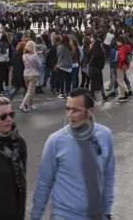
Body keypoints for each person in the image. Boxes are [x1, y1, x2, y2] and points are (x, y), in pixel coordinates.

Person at [31, 88, 116, 220]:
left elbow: (108, 175)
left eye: (75, 110)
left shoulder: (105, 136)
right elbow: (44, 183)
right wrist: (35, 217)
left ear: (90, 111)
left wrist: (107, 211)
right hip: (65, 215)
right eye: (67, 109)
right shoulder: (56, 141)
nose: (69, 115)